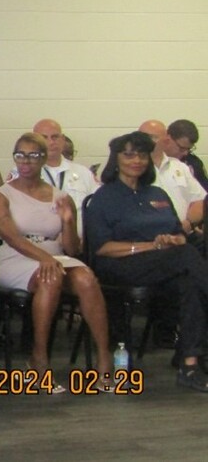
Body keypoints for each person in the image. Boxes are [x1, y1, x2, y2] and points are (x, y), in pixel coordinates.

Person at [0, 132, 114, 390]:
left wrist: (68, 220)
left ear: (44, 159)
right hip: (17, 257)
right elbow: (11, 237)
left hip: (56, 256)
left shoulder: (61, 196)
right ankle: (38, 359)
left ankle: (104, 357)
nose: (25, 161)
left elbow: (71, 248)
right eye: (20, 155)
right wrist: (45, 258)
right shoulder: (0, 195)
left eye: (33, 155)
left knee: (86, 279)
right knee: (51, 276)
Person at [85, 131, 208, 391]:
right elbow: (101, 248)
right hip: (120, 264)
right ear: (116, 159)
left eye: (142, 154)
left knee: (189, 281)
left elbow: (179, 235)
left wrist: (172, 240)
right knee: (187, 260)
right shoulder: (104, 197)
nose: (136, 160)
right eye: (128, 154)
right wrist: (148, 246)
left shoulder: (157, 193)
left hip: (164, 261)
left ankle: (189, 364)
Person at [9, 119, 98, 233]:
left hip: (80, 245)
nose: (50, 142)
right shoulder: (22, 172)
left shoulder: (83, 172)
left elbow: (98, 208)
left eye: (55, 137)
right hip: (39, 243)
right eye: (44, 137)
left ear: (63, 139)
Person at [138, 120, 206, 236]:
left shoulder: (182, 166)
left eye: (152, 138)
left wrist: (189, 223)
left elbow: (199, 200)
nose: (185, 153)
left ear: (166, 140)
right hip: (149, 237)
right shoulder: (134, 169)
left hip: (185, 234)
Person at [166, 119, 208, 192]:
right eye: (181, 148)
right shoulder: (151, 160)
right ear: (168, 139)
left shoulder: (193, 163)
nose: (185, 153)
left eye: (189, 149)